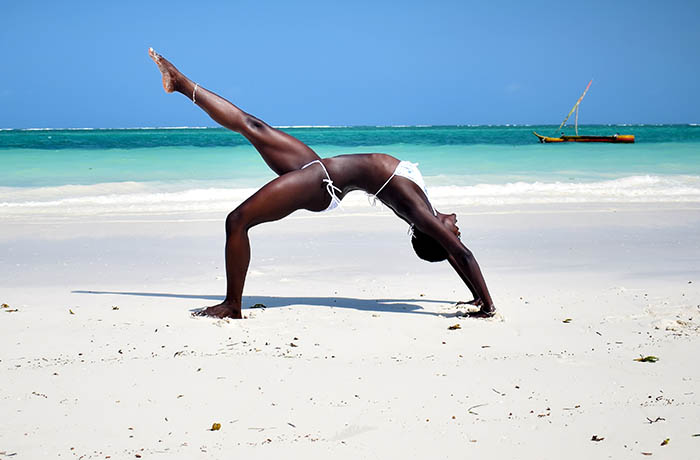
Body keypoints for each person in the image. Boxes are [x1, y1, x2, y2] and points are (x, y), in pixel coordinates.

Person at [148, 48, 496, 318]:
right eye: (456, 231)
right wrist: (476, 294)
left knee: (237, 221)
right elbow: (453, 250)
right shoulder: (425, 210)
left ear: (435, 233)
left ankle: (232, 305)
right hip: (319, 170)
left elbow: (459, 252)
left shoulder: (418, 210)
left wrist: (488, 305)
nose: (457, 228)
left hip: (320, 184)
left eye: (454, 231)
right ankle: (180, 83)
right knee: (252, 126)